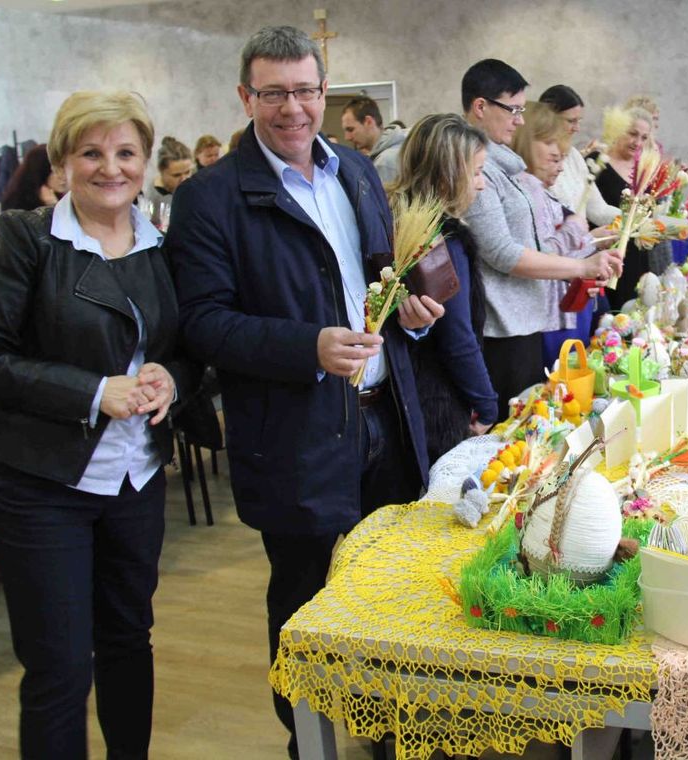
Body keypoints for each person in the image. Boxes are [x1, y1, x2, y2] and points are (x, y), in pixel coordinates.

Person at [164, 27, 442, 759]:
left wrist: (407, 309)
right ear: (245, 96)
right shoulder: (208, 199)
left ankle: (387, 729)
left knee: (390, 590)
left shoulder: (353, 170)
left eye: (306, 91)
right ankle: (308, 741)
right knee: (305, 596)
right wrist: (308, 347)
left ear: (326, 92)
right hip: (296, 429)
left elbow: (379, 274)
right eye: (274, 93)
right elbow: (203, 325)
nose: (293, 108)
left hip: (387, 416)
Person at [0, 90, 194, 759]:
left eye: (125, 153)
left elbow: (186, 349)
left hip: (134, 476)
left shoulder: (162, 248)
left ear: (146, 163)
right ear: (63, 161)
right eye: (91, 152)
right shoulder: (25, 241)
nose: (109, 168)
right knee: (59, 667)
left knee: (126, 641)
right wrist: (92, 392)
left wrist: (171, 377)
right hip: (40, 480)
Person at [461, 59, 622, 416]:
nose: (518, 119)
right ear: (481, 106)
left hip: (524, 324)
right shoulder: (478, 168)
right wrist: (579, 266)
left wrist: (581, 262)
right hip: (502, 330)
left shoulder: (504, 168)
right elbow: (503, 253)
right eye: (512, 109)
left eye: (522, 110)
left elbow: (537, 246)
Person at [389, 113, 499, 461]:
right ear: (446, 176)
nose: (481, 184)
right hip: (439, 401)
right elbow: (458, 336)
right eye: (477, 172)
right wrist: (486, 402)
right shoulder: (445, 241)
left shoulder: (397, 220)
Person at [510, 101, 602, 367]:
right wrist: (575, 230)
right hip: (552, 315)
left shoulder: (539, 190)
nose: (560, 164)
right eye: (552, 152)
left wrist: (591, 246)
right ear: (527, 142)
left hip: (562, 311)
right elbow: (543, 254)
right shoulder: (528, 190)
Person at [587, 105, 654, 310]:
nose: (638, 142)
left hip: (638, 255)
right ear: (619, 130)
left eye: (644, 137)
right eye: (633, 134)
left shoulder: (645, 168)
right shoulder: (596, 162)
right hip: (605, 252)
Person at [540, 84, 622, 229]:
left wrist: (634, 221)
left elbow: (598, 210)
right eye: (571, 121)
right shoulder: (532, 158)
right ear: (548, 118)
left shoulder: (574, 156)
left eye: (579, 121)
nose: (577, 128)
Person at [340, 95, 407, 184]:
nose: (347, 137)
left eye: (351, 129)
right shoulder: (400, 146)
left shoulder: (384, 163)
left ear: (368, 122)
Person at [142, 136, 194, 225]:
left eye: (187, 172)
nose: (184, 179)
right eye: (176, 175)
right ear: (162, 171)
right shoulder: (151, 200)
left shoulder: (195, 187)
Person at [0, 144, 66, 211]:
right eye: (56, 171)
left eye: (64, 170)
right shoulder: (18, 204)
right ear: (42, 173)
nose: (63, 176)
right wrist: (52, 206)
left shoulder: (66, 197)